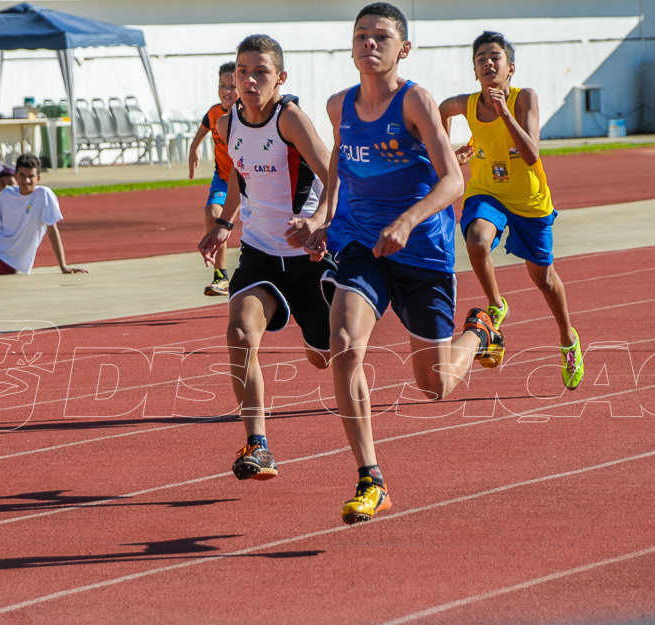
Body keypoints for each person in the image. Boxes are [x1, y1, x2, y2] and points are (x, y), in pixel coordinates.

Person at [310, 3, 502, 524]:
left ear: (404, 48)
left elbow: (453, 181)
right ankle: (371, 478)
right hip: (360, 244)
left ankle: (480, 331)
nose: (370, 44)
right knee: (344, 345)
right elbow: (339, 161)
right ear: (351, 47)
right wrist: (323, 217)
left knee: (435, 384)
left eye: (381, 37)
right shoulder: (338, 106)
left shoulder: (414, 100)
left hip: (421, 252)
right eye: (361, 36)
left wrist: (407, 221)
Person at [197, 34, 334, 483]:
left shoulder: (289, 119)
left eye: (260, 72)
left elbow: (334, 174)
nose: (249, 80)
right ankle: (258, 443)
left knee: (325, 354)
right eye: (242, 71)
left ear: (280, 78)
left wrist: (319, 223)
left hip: (306, 255)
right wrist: (223, 224)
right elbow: (240, 175)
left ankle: (320, 340)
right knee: (239, 332)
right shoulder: (225, 123)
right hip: (258, 251)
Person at [439, 31, 584, 392]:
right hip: (487, 191)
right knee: (475, 239)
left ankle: (568, 338)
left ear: (510, 68)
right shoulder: (468, 103)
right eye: (481, 60)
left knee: (544, 279)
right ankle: (496, 303)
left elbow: (532, 154)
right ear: (475, 71)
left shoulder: (524, 98)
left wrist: (504, 111)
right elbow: (442, 109)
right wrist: (447, 155)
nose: (488, 64)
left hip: (529, 201)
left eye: (495, 58)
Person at [0, 152, 87, 276]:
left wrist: (63, 266)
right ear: (16, 176)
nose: (26, 180)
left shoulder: (44, 195)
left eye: (31, 176)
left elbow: (52, 230)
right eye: (22, 175)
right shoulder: (6, 193)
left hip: (8, 261)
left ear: (38, 178)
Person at [188, 61, 238, 296]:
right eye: (222, 85)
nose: (227, 91)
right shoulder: (214, 112)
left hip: (250, 180)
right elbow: (200, 133)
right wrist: (193, 151)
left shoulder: (248, 115)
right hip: (224, 178)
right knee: (213, 213)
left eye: (232, 86)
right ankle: (221, 276)